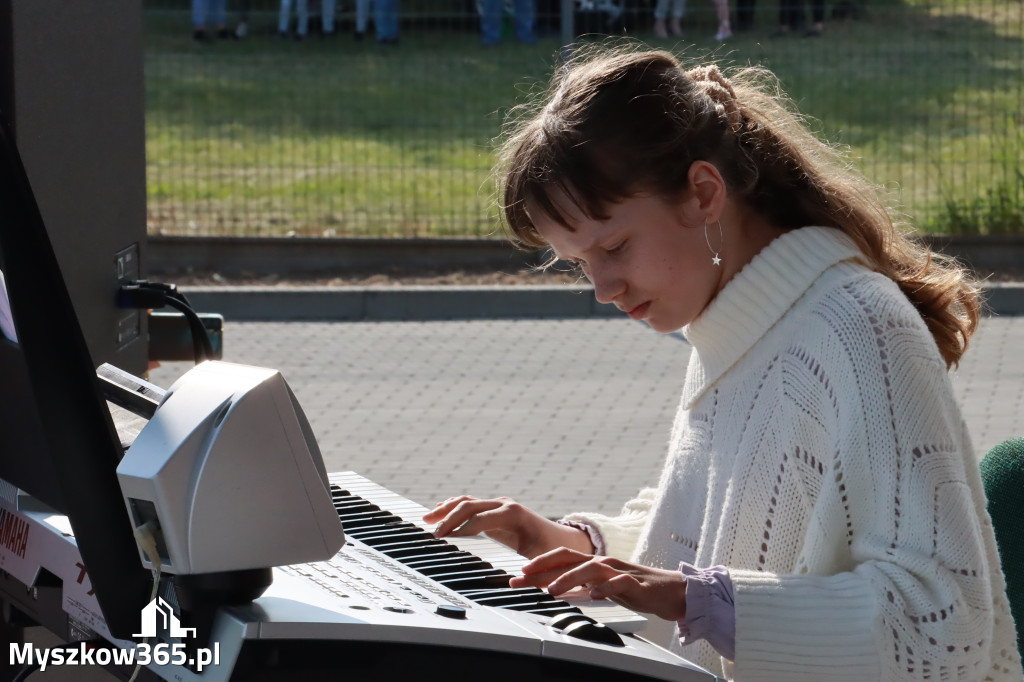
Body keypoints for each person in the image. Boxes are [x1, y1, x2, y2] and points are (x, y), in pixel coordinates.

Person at [423, 47, 1022, 680]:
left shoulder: (858, 326)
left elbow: (941, 624)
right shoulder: (737, 318)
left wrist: (703, 603)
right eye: (578, 263)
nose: (602, 288)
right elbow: (729, 542)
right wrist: (574, 547)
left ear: (705, 193)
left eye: (615, 246)